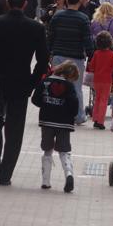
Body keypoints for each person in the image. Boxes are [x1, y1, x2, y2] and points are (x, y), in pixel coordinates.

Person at [0, 0, 49, 185]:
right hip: (21, 83)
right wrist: (33, 83)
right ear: (25, 4)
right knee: (15, 129)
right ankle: (6, 173)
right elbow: (43, 60)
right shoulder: (36, 28)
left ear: (7, 2)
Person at [32, 60, 79, 193]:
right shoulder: (69, 86)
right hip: (64, 123)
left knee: (47, 150)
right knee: (64, 151)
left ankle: (45, 181)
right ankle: (69, 174)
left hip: (47, 121)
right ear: (70, 76)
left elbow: (35, 99)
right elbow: (74, 104)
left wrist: (46, 106)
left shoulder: (45, 82)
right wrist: (71, 114)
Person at [47, 0, 94, 124]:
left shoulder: (57, 16)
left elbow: (50, 36)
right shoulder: (83, 18)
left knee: (56, 84)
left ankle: (55, 112)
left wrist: (49, 53)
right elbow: (87, 40)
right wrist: (91, 55)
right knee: (76, 87)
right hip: (76, 58)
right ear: (79, 1)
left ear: (67, 1)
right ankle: (78, 116)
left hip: (58, 56)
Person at [86, 31, 113, 130]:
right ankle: (100, 121)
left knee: (97, 99)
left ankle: (95, 118)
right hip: (107, 80)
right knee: (104, 100)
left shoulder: (96, 53)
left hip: (97, 80)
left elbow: (91, 67)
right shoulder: (112, 55)